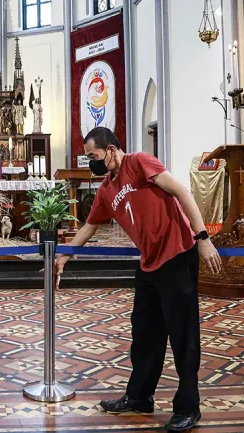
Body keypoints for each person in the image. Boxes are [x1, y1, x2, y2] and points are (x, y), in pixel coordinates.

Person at [55, 127, 222, 432]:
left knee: (183, 336)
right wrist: (64, 256)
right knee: (144, 334)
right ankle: (139, 396)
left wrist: (203, 238)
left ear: (111, 150)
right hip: (149, 262)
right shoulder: (106, 189)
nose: (90, 162)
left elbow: (181, 192)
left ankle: (188, 408)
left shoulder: (140, 161)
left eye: (93, 156)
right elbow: (89, 226)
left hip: (177, 254)